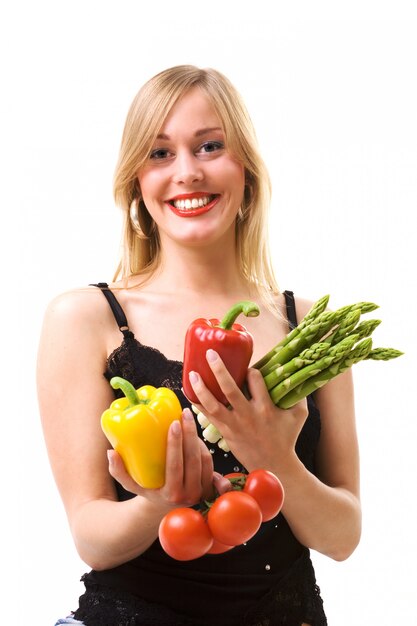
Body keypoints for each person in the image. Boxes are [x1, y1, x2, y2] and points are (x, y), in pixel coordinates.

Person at [37, 65, 361, 626]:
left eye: (210, 146)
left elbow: (343, 537)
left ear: (247, 172)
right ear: (137, 181)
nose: (187, 172)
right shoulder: (87, 318)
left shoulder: (311, 327)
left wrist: (276, 459)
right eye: (160, 153)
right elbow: (90, 537)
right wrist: (157, 504)